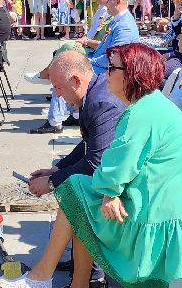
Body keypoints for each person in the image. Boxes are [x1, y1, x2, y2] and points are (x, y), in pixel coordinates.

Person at [0, 43, 182, 288]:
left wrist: (109, 191)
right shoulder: (148, 106)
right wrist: (106, 189)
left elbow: (112, 167)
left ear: (132, 73)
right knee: (80, 195)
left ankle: (46, 280)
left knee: (75, 191)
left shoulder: (140, 113)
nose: (105, 74)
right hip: (159, 208)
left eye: (112, 68)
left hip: (153, 224)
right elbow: (113, 163)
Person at [24, 48, 126, 197]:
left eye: (58, 87)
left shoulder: (101, 104)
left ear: (76, 81)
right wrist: (57, 169)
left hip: (126, 185)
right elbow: (88, 143)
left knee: (70, 198)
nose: (57, 94)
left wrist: (52, 182)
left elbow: (95, 163)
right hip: (113, 175)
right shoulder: (94, 92)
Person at [84, 0, 140, 73]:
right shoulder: (117, 20)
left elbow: (114, 57)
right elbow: (105, 46)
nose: (106, 4)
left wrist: (88, 62)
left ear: (118, 2)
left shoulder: (124, 26)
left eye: (108, 1)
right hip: (100, 63)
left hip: (107, 71)